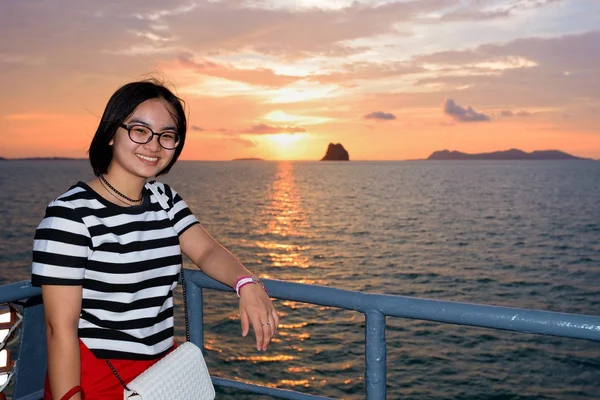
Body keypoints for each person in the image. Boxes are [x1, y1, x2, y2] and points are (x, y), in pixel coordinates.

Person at [31, 79, 279, 399]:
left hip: (161, 373)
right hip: (98, 376)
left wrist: (246, 283)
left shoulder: (164, 199)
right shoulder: (70, 215)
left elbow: (205, 250)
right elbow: (58, 329)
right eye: (140, 129)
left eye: (167, 135)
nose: (153, 145)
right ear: (111, 133)